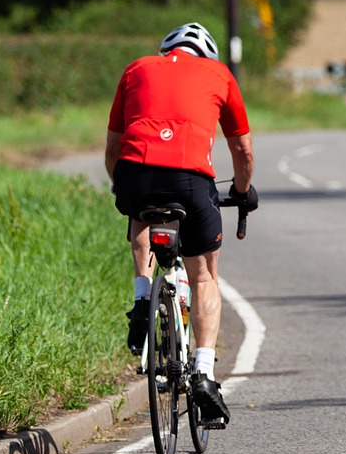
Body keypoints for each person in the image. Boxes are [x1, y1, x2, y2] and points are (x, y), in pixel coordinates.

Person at [105, 22, 258, 424]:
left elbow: (113, 149)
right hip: (192, 180)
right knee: (205, 275)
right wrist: (242, 191)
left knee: (140, 215)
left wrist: (128, 189)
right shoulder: (219, 74)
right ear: (206, 55)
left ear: (165, 49)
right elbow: (241, 149)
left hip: (134, 173)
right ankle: (204, 373)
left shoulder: (137, 68)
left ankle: (142, 297)